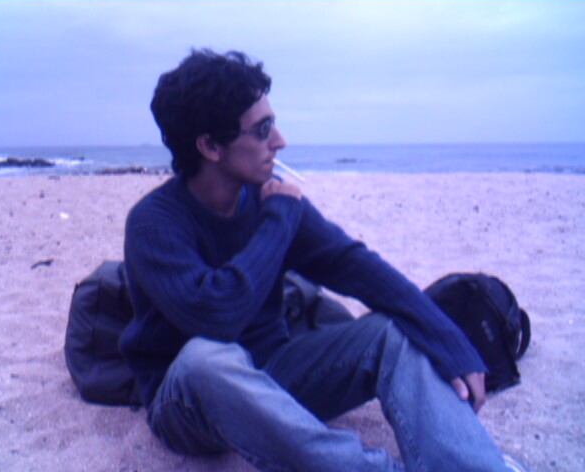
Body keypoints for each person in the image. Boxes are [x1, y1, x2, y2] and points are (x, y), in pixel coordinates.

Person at [120, 48, 511, 471]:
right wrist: (277, 222)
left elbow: (356, 266)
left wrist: (450, 340)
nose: (280, 141)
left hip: (277, 371)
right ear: (210, 146)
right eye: (262, 129)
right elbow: (218, 316)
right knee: (205, 359)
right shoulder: (154, 223)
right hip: (187, 400)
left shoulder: (272, 202)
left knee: (394, 329)